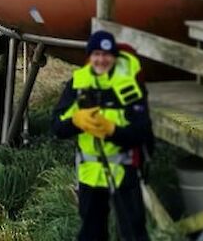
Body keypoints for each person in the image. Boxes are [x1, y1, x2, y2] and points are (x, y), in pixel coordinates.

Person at [52, 30, 152, 241]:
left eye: (106, 55)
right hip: (89, 173)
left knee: (133, 232)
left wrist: (113, 130)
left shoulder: (128, 89)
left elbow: (142, 131)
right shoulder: (77, 84)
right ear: (90, 56)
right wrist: (76, 121)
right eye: (96, 54)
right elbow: (57, 128)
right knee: (91, 233)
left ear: (114, 57)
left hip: (123, 171)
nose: (101, 60)